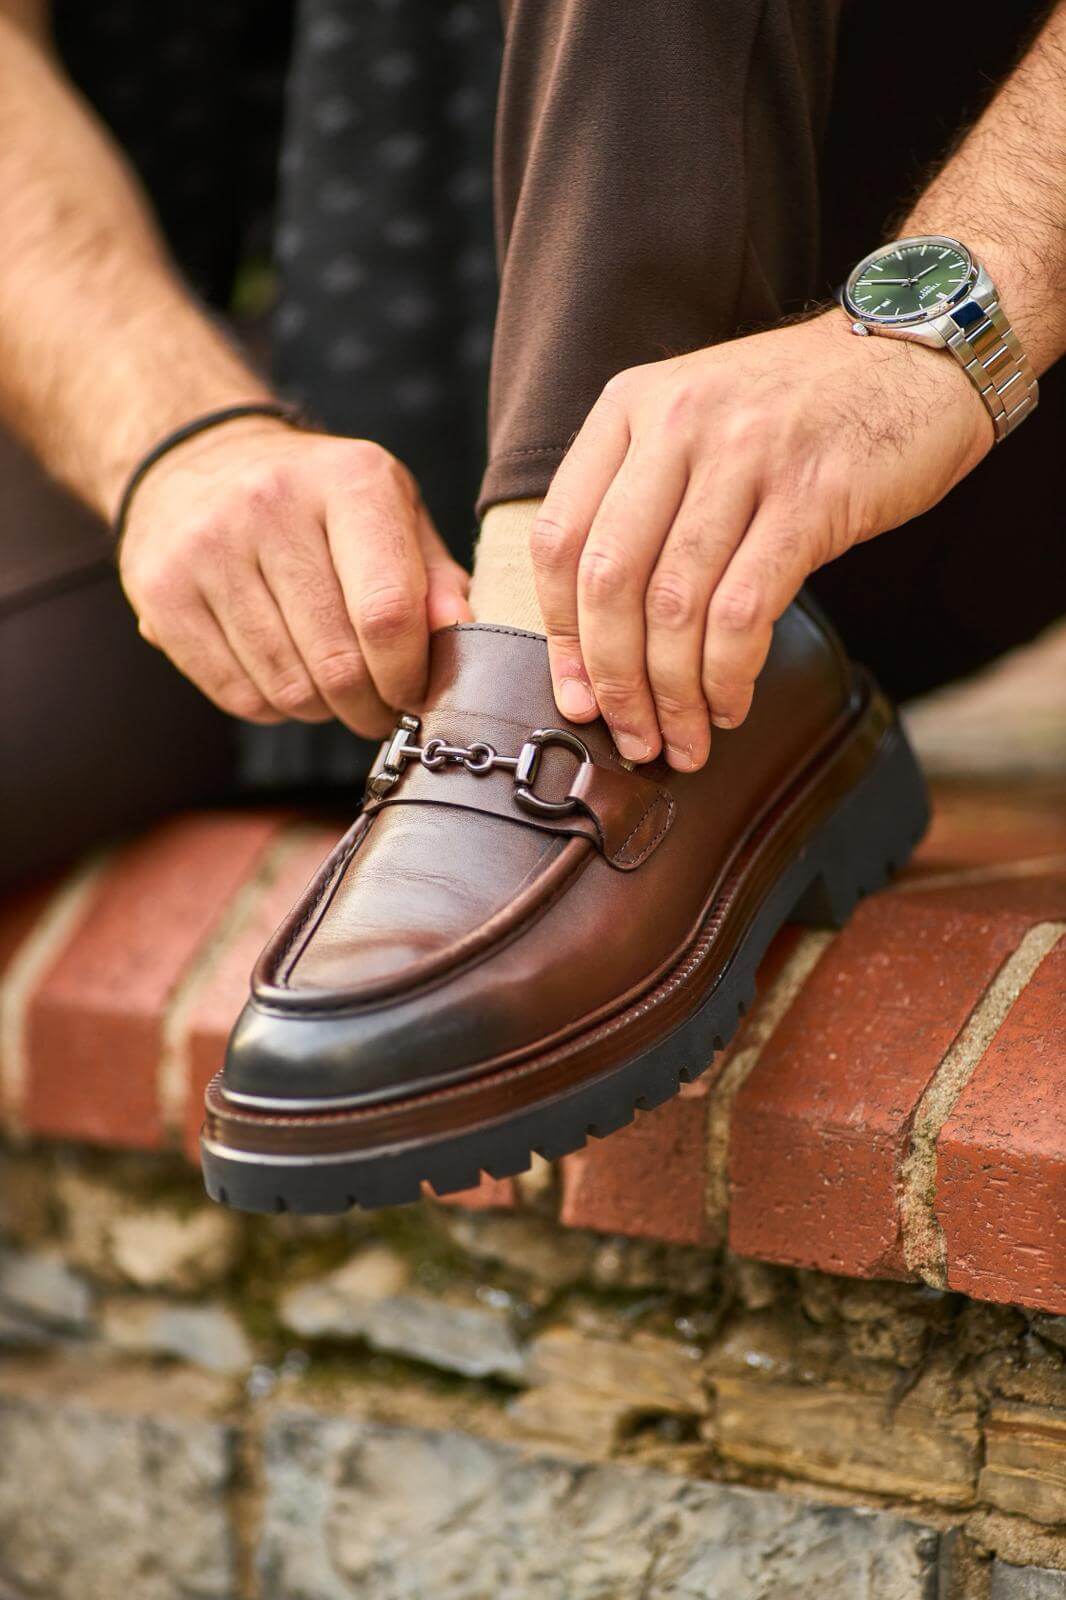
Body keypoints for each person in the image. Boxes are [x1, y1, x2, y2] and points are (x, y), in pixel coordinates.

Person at [2, 2, 1063, 1210]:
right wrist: (174, 436)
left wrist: (940, 322)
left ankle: (565, 662)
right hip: (375, 300)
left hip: (920, 289)